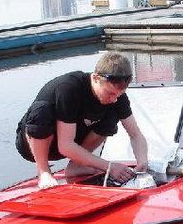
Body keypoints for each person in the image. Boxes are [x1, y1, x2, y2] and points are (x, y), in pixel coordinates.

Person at [16, 52, 148, 189]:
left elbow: (135, 134)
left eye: (119, 94)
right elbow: (65, 145)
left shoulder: (118, 98)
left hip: (72, 141)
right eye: (110, 93)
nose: (114, 99)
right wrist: (109, 167)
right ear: (96, 78)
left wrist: (142, 160)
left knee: (111, 116)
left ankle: (76, 165)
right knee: (41, 111)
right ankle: (43, 171)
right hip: (34, 142)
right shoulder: (68, 88)